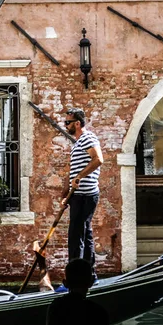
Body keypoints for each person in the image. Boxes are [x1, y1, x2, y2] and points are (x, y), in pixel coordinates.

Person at [62, 107, 103, 283]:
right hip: (78, 195)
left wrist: (80, 176)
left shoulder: (88, 138)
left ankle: (75, 279)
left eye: (68, 123)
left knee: (76, 235)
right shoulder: (78, 142)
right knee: (85, 234)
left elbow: (98, 159)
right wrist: (66, 193)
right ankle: (89, 275)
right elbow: (75, 170)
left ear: (77, 123)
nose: (65, 126)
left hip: (86, 195)